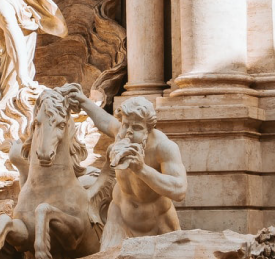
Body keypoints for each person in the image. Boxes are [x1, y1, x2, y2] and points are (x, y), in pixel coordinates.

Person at [63, 84, 187, 248]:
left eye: (136, 127)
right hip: (119, 219)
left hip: (158, 223)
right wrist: (83, 100)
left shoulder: (163, 147)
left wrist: (141, 169)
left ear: (148, 129)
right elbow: (105, 120)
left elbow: (179, 190)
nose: (128, 132)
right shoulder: (121, 134)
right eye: (125, 124)